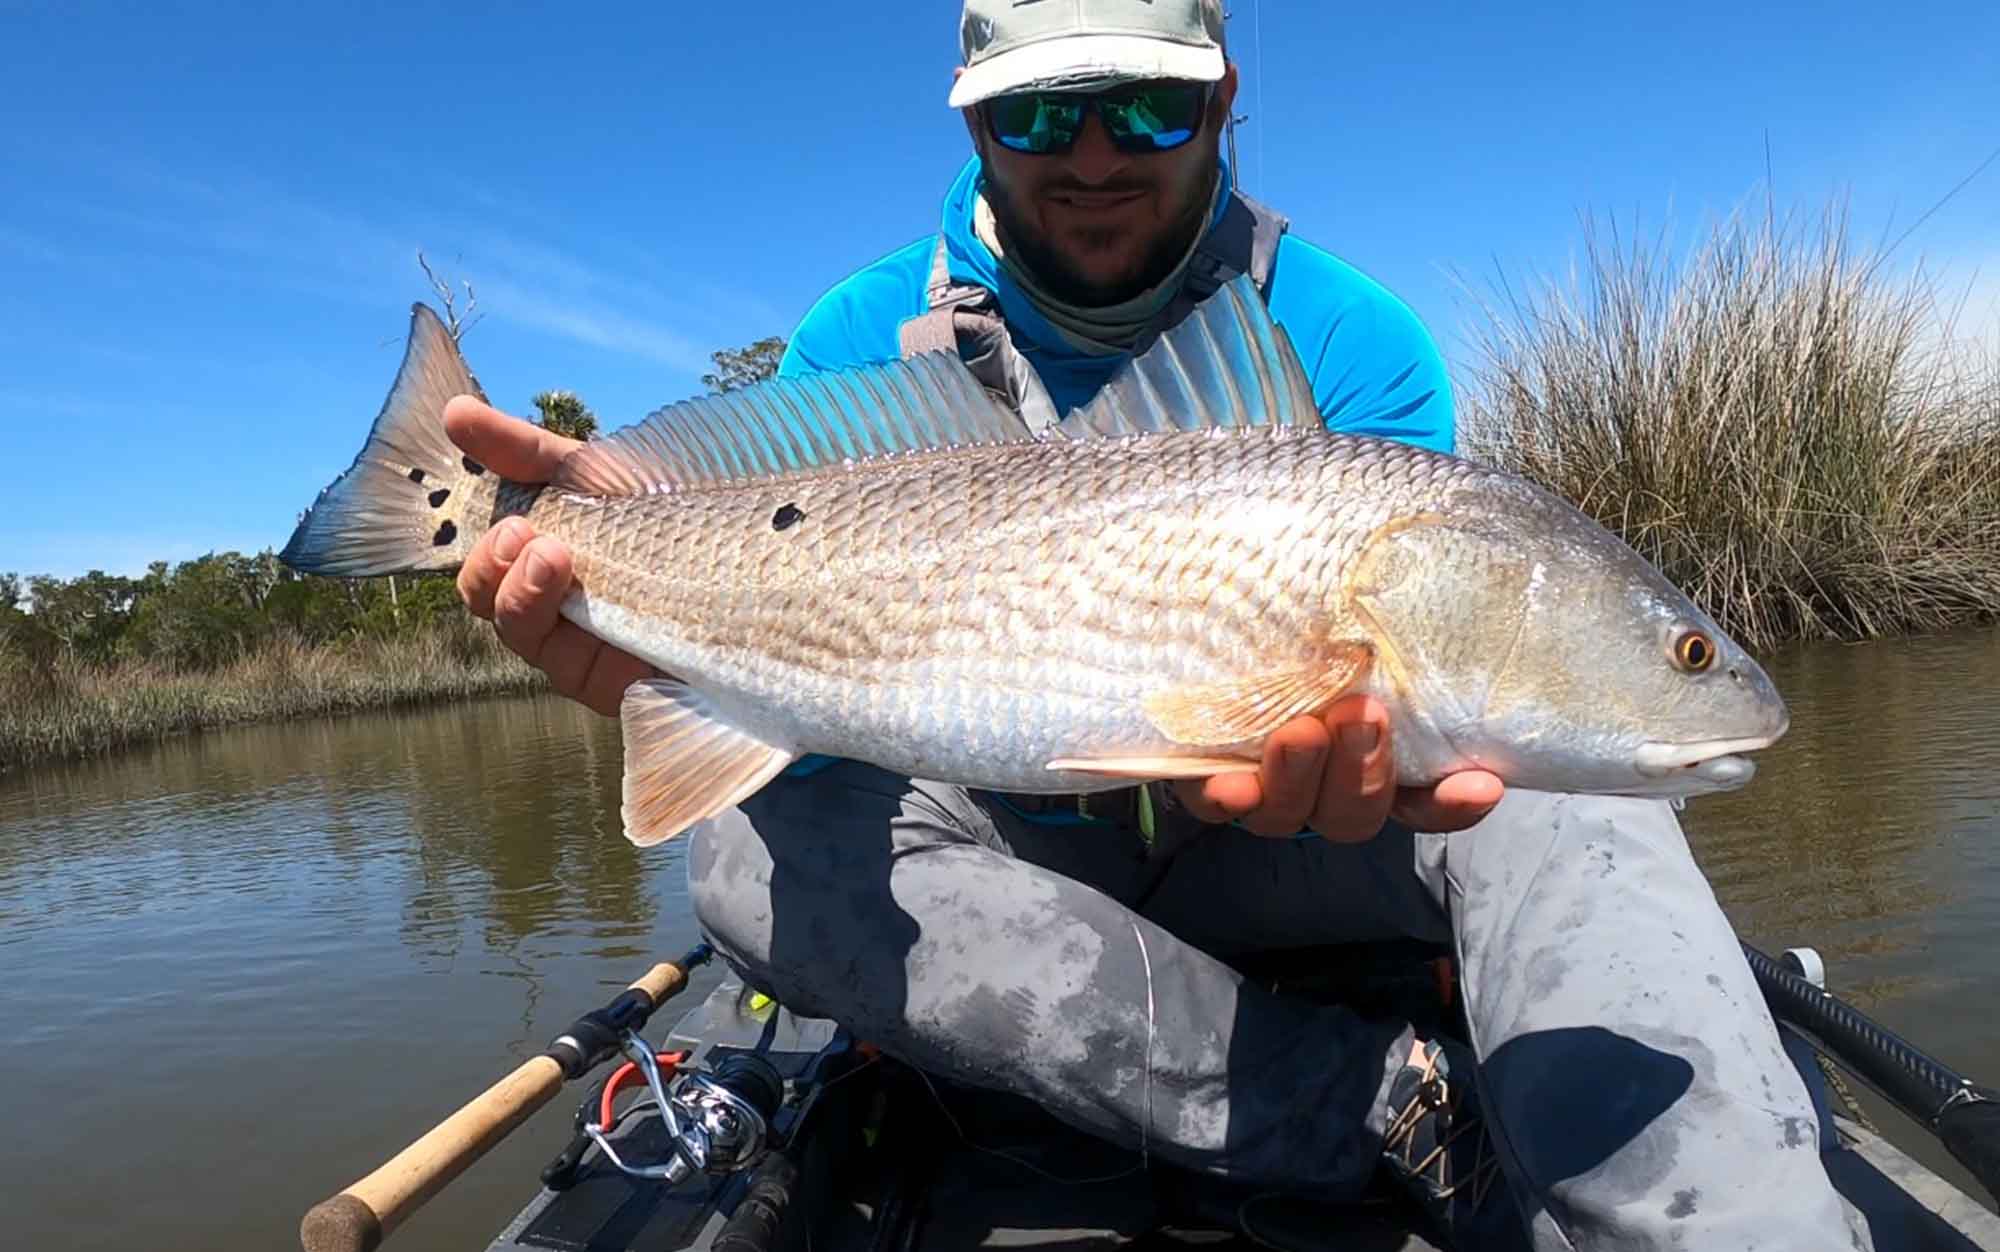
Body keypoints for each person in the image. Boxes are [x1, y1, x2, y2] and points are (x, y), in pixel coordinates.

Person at [444, 3, 1870, 1248]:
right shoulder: (860, 337)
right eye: (1037, 112)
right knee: (750, 857)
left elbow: (1432, 763)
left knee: (1580, 796)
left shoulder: (1353, 340)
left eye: (1147, 104)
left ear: (1225, 97)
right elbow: (834, 761)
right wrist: (652, 622)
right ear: (972, 123)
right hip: (1005, 860)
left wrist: (1375, 778)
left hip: (1305, 854)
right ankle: (1373, 1108)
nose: (1093, 153)